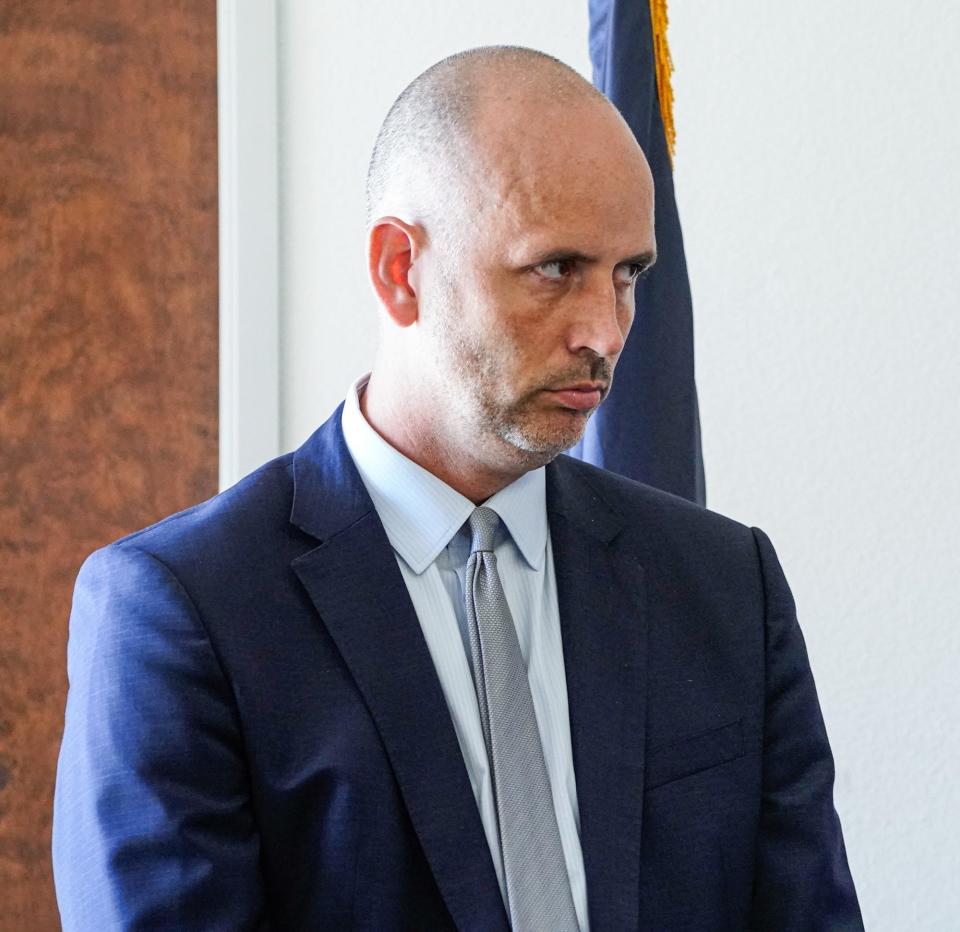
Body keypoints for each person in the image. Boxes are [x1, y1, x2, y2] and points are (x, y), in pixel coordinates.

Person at [53, 46, 863, 931]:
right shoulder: (183, 612)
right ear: (401, 270)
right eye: (556, 269)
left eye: (628, 274)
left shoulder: (723, 585)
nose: (604, 331)